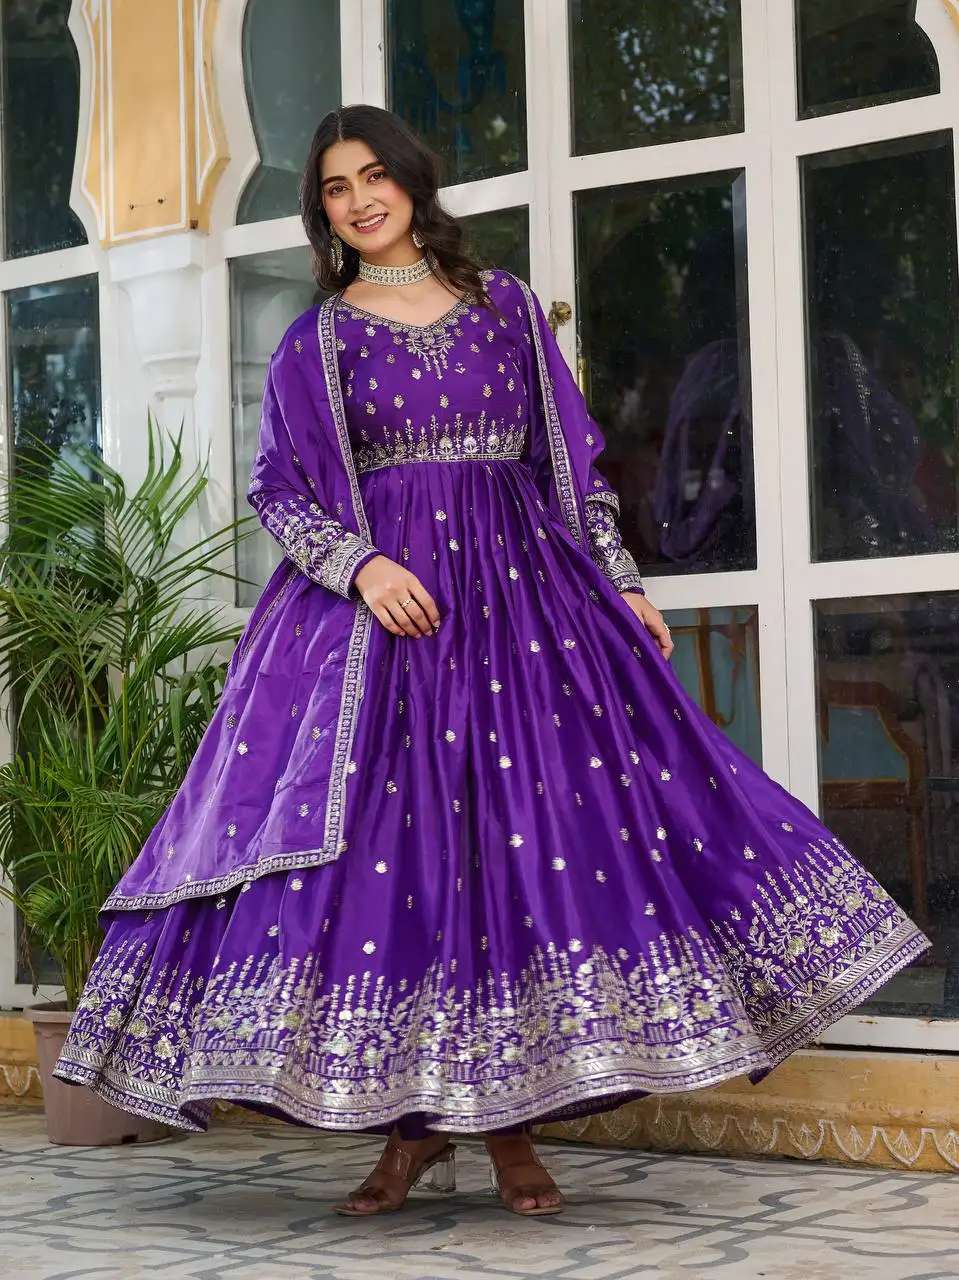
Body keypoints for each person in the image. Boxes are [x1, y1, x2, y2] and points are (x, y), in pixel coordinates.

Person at [52, 104, 931, 1218]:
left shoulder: (504, 306)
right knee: (401, 864)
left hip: (524, 612)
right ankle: (409, 1134)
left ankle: (512, 1135)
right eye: (334, 188)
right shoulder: (319, 340)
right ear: (320, 211)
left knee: (526, 850)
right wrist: (362, 566)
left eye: (374, 176)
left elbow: (568, 462)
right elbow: (280, 487)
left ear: (411, 182)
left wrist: (620, 579)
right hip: (388, 631)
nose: (359, 200)